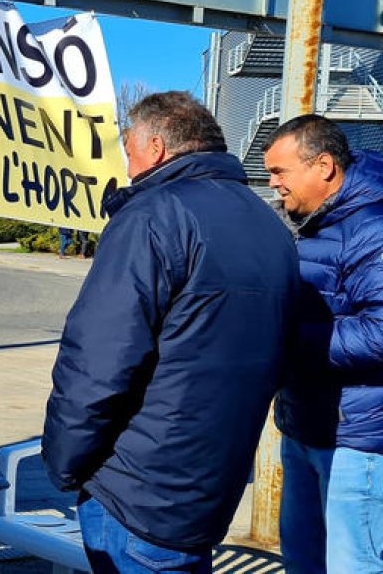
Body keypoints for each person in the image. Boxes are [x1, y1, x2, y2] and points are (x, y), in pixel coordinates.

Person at [42, 91, 299, 573]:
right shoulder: (269, 225)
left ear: (156, 147)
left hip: (136, 492)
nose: (128, 166)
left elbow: (98, 363)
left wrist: (62, 463)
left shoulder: (151, 217)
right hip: (209, 487)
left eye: (130, 151)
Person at [264, 114, 383, 573]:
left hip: (358, 443)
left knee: (354, 565)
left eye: (280, 172)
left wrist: (285, 339)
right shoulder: (317, 224)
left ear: (325, 166)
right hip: (304, 427)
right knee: (303, 562)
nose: (273, 183)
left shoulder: (372, 229)